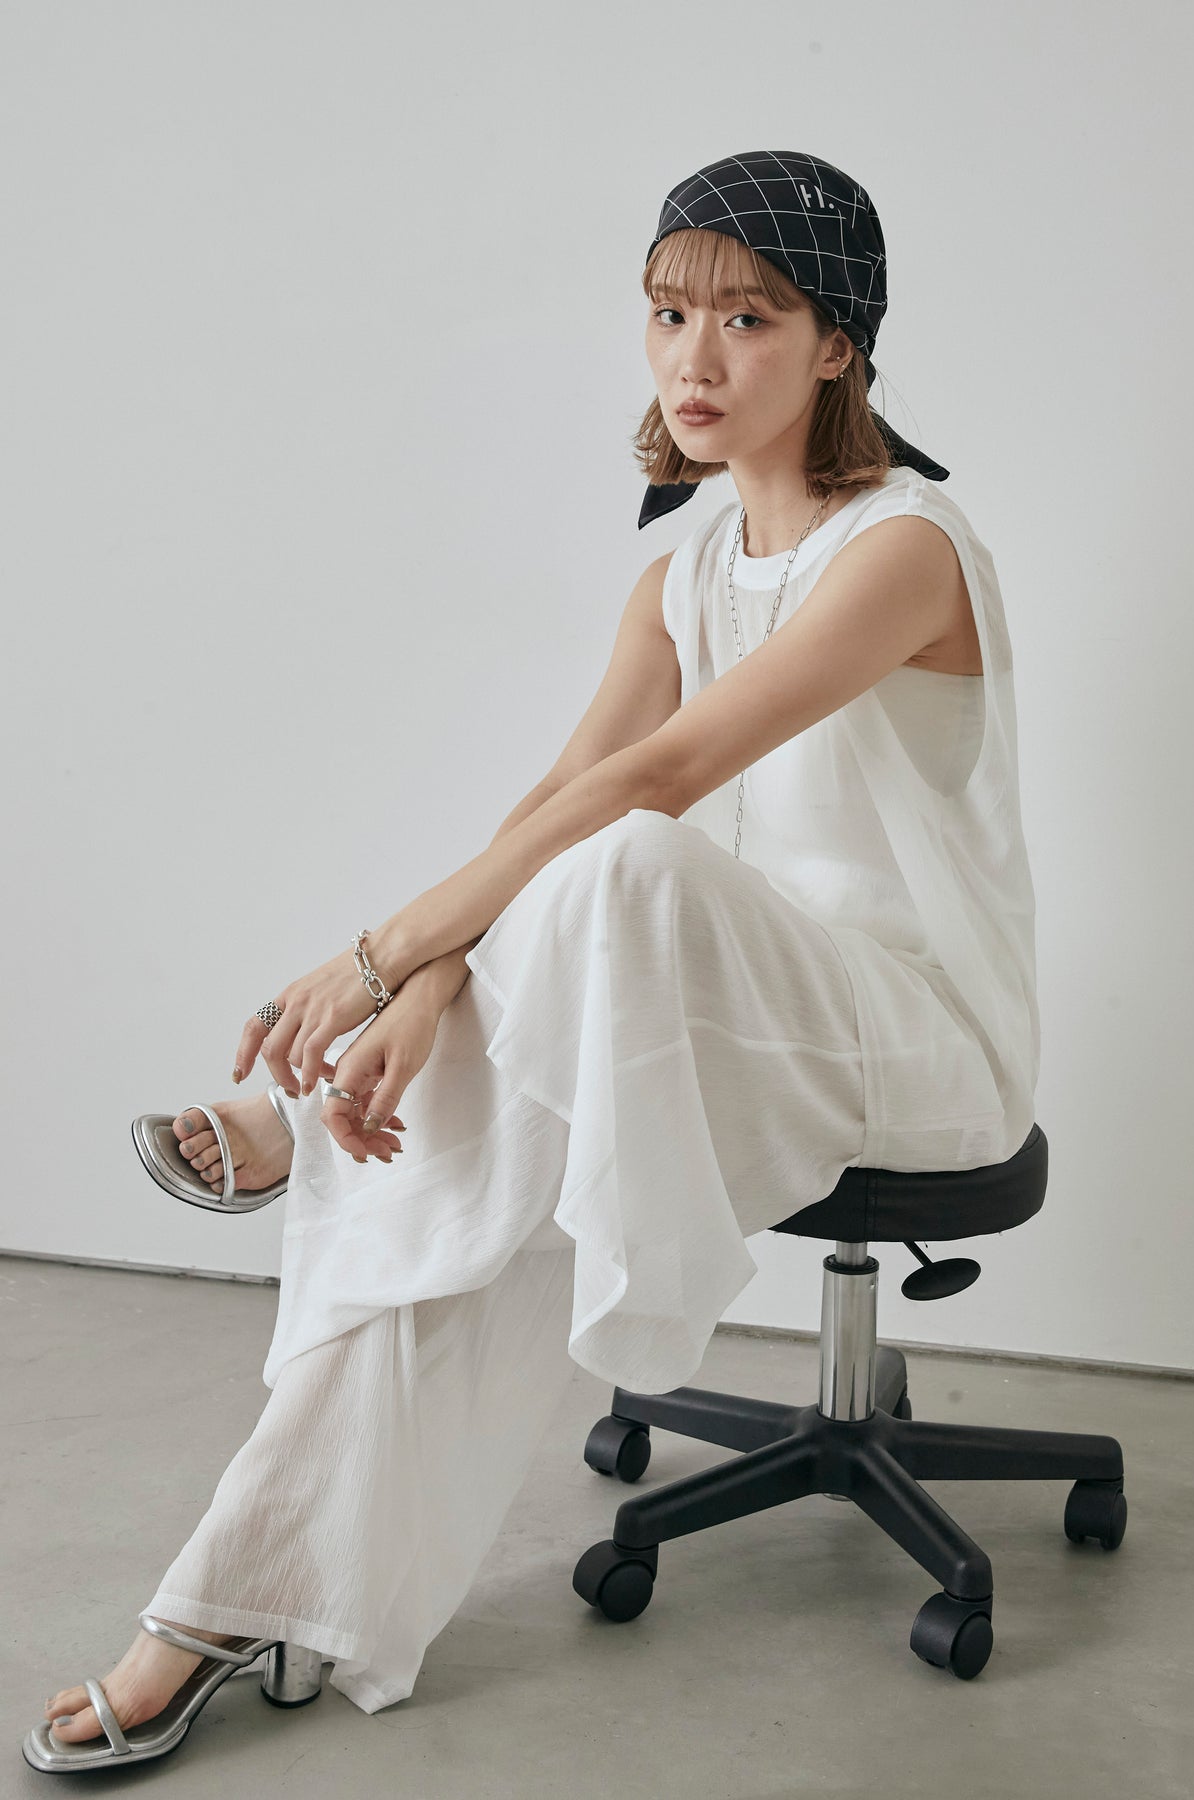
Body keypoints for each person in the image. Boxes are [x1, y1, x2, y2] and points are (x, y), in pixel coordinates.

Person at [26, 149, 1039, 1771]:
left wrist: (375, 961)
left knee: (629, 861)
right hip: (694, 1020)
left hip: (912, 1045)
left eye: (748, 319)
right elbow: (554, 797)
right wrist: (429, 996)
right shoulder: (679, 573)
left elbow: (654, 785)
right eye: (668, 314)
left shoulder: (903, 550)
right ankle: (226, 1607)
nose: (695, 359)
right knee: (456, 1193)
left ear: (837, 344)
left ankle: (307, 1141)